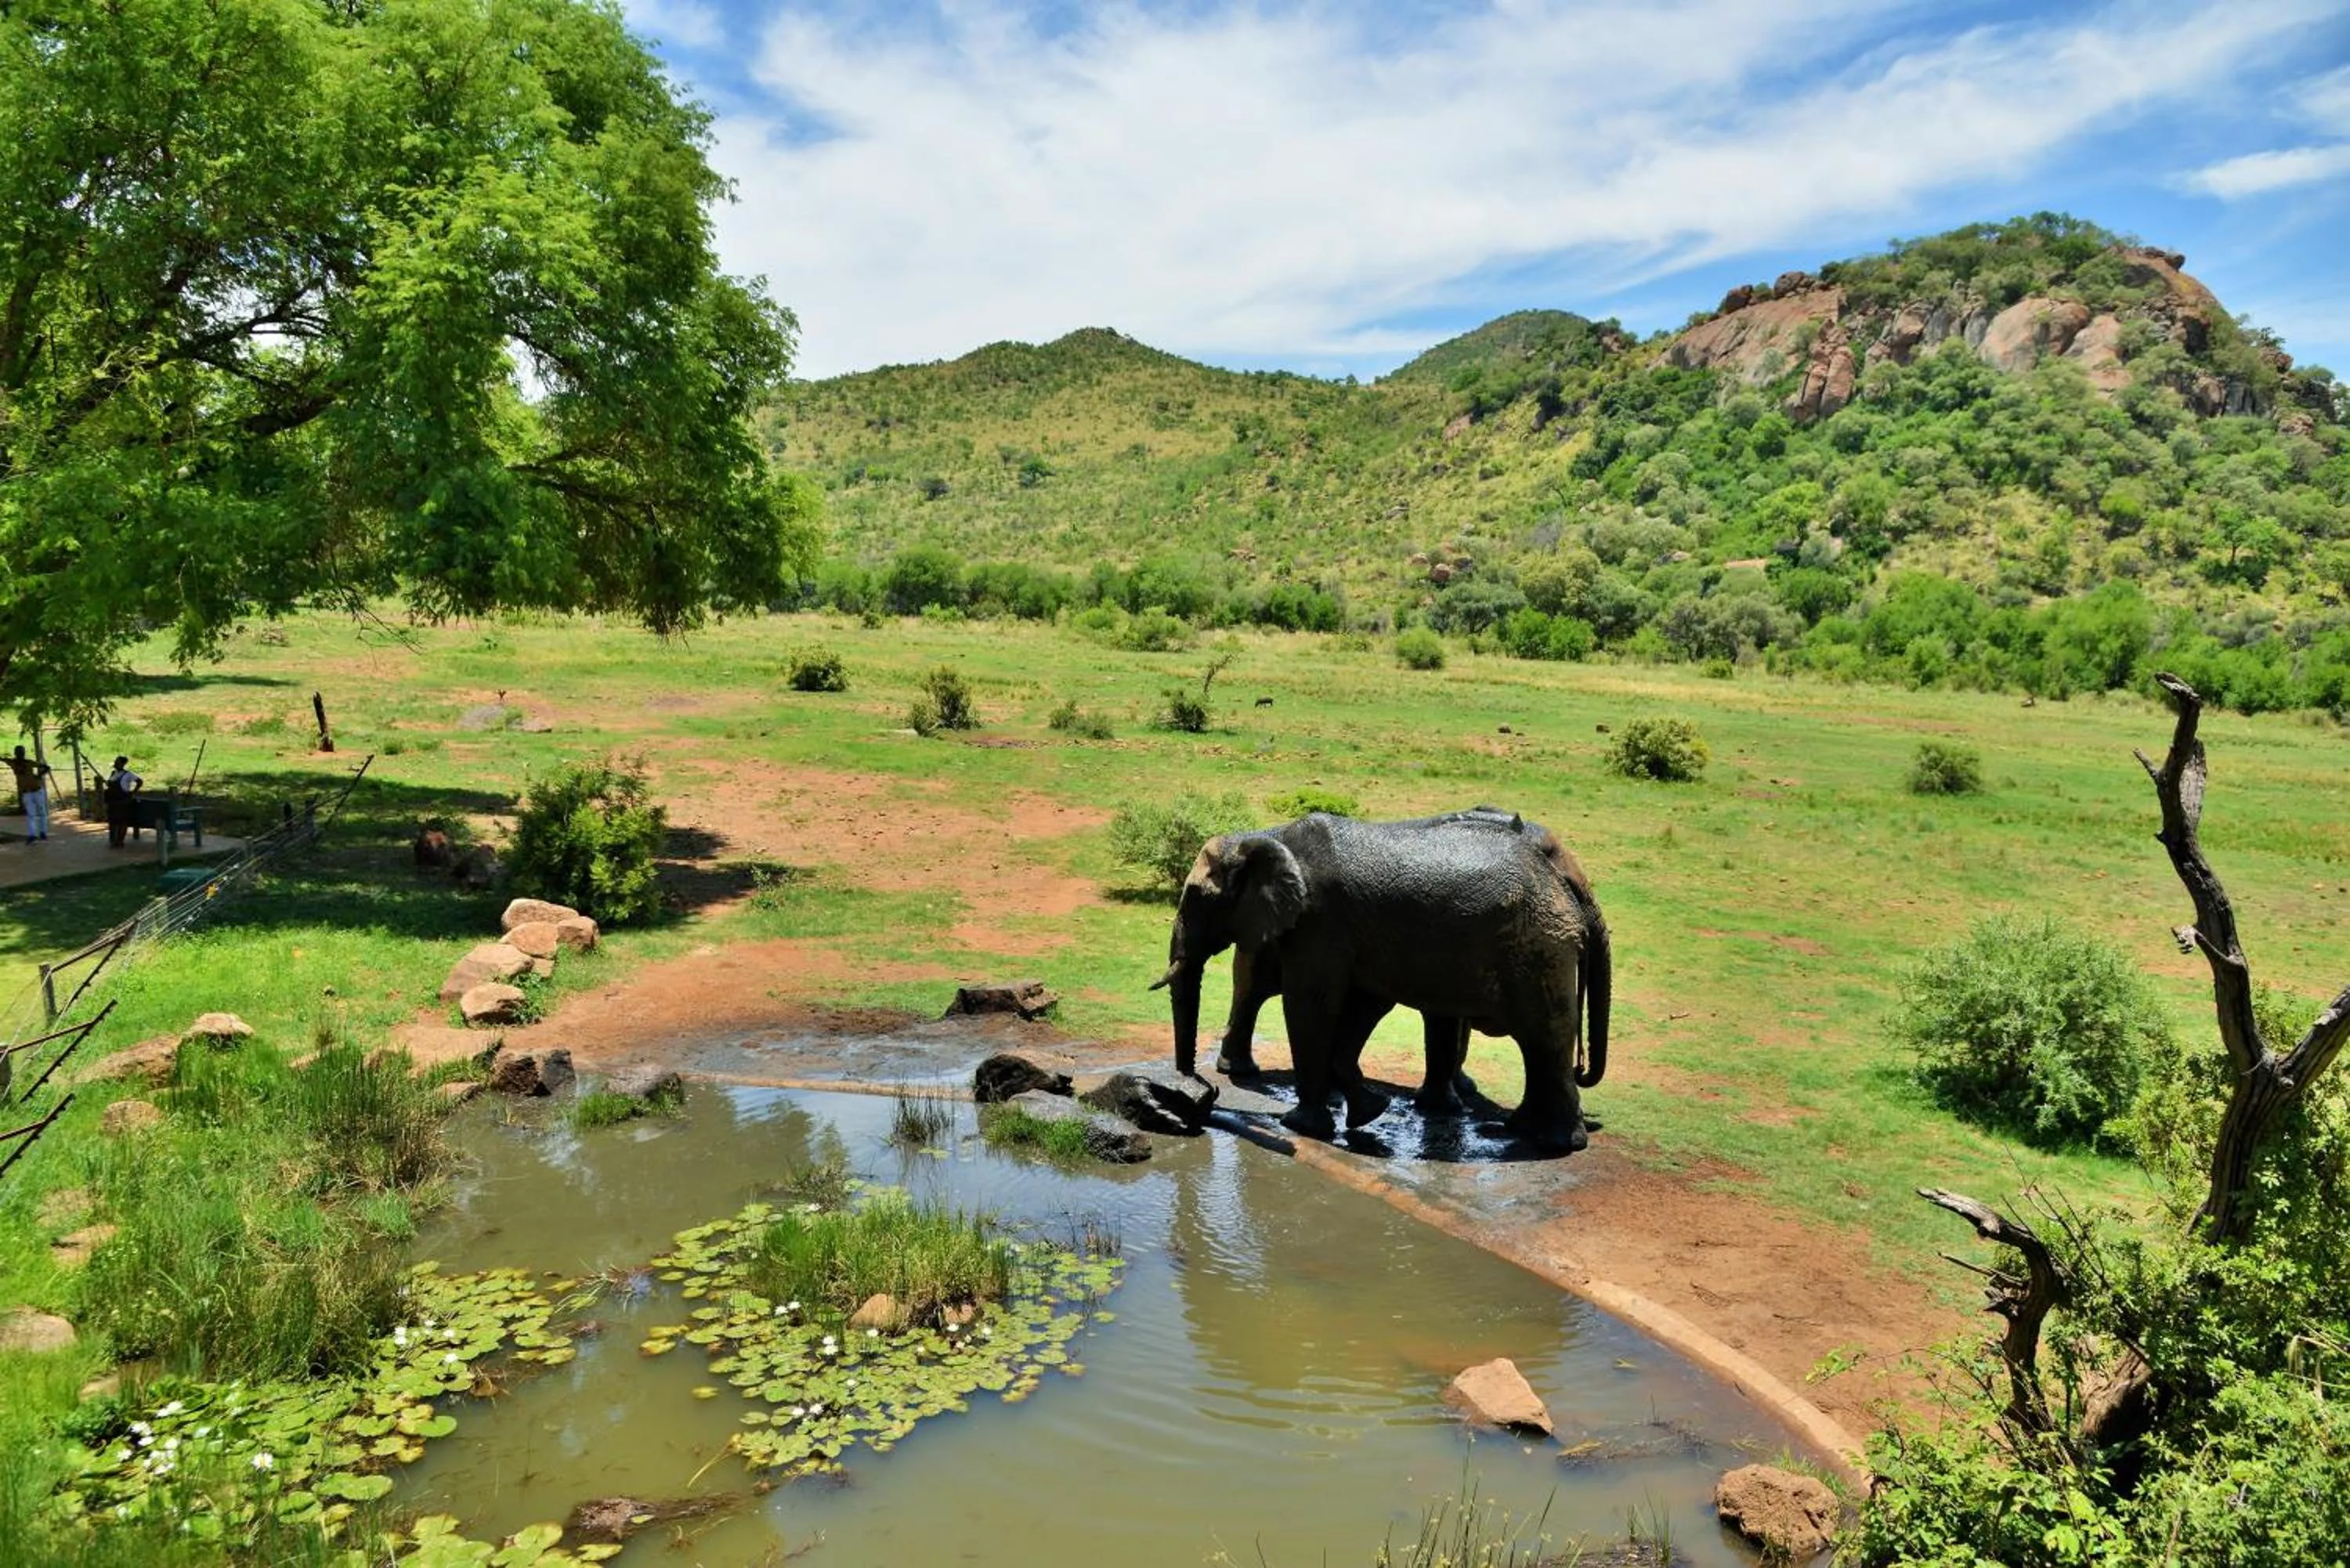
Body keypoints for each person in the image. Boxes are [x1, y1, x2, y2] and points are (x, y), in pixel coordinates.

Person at [8, 744, 54, 843]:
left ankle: (43, 833)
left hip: (37, 790)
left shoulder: (29, 762)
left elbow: (46, 767)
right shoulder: (13, 763)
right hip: (27, 793)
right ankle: (32, 835)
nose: (21, 754)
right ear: (15, 754)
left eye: (22, 752)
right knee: (31, 814)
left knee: (41, 813)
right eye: (19, 752)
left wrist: (39, 776)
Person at [105, 755, 144, 848]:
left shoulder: (128, 774)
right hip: (113, 801)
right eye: (115, 761)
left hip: (123, 801)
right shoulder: (113, 774)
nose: (115, 763)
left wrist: (133, 793)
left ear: (123, 764)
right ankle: (113, 841)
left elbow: (140, 782)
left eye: (117, 762)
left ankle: (120, 841)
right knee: (113, 822)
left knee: (122, 822)